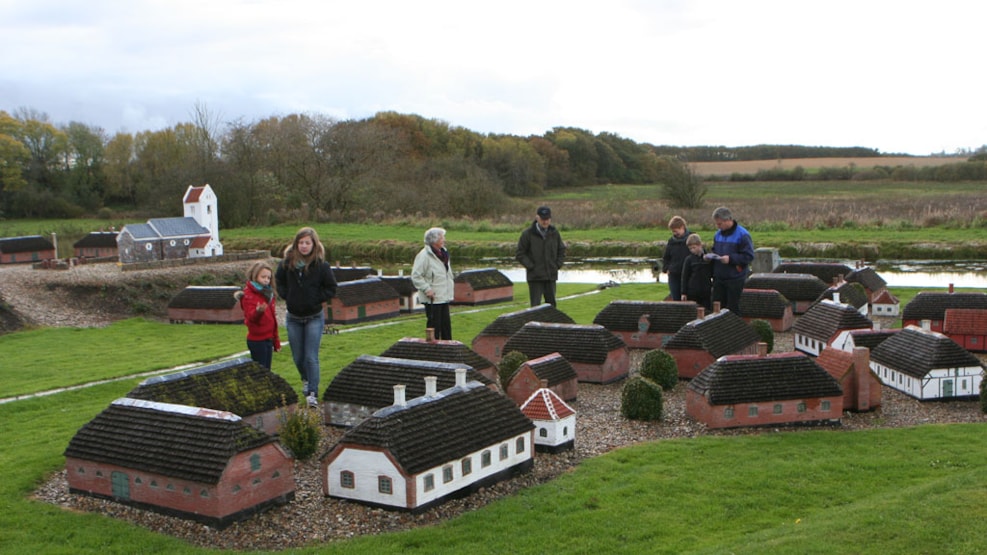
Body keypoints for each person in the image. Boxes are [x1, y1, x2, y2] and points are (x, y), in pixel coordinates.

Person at [275, 227, 338, 408]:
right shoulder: (287, 264)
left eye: (307, 243)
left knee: (311, 357)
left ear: (314, 245)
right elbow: (278, 281)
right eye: (301, 243)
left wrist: (315, 299)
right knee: (298, 357)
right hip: (293, 317)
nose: (304, 246)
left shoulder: (321, 266)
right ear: (296, 244)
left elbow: (331, 288)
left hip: (313, 317)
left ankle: (312, 392)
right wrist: (288, 295)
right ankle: (305, 379)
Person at [234, 261, 281, 369]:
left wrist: (276, 340)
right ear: (255, 276)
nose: (266, 280)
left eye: (268, 278)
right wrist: (258, 312)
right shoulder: (248, 295)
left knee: (267, 370)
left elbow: (273, 319)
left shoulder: (268, 294)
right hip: (257, 340)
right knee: (261, 371)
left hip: (268, 338)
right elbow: (251, 318)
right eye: (263, 277)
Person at [516, 205, 566, 307]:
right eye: (543, 219)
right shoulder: (527, 234)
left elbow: (561, 250)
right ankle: (535, 323)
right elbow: (520, 254)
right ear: (537, 218)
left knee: (551, 307)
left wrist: (557, 265)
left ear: (550, 219)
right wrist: (532, 267)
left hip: (550, 276)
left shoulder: (555, 233)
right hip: (535, 277)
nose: (545, 222)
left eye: (547, 219)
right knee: (535, 307)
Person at [411, 227, 455, 340]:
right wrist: (427, 289)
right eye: (442, 237)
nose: (444, 240)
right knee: (434, 328)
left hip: (444, 296)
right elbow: (416, 276)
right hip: (432, 298)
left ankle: (448, 350)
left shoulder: (443, 253)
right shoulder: (424, 256)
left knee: (446, 327)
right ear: (434, 240)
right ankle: (433, 351)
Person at [709, 206, 754, 315]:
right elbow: (715, 251)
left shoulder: (743, 235)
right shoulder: (717, 235)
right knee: (716, 309)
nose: (718, 227)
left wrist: (731, 259)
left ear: (728, 220)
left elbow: (749, 256)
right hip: (719, 278)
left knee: (733, 310)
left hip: (735, 278)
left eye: (719, 224)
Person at [661, 215, 691, 301]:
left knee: (688, 299)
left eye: (675, 231)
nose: (674, 233)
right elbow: (666, 257)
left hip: (688, 275)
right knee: (676, 299)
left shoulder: (692, 238)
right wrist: (666, 269)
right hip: (674, 275)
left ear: (682, 227)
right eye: (672, 231)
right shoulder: (671, 241)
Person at [680, 233, 713, 312]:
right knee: (693, 312)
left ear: (700, 245)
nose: (692, 250)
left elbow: (713, 273)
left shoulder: (708, 258)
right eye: (690, 249)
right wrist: (683, 293)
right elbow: (684, 277)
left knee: (707, 311)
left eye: (694, 248)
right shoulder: (689, 260)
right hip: (692, 291)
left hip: (706, 291)